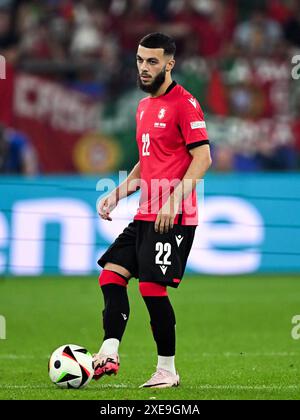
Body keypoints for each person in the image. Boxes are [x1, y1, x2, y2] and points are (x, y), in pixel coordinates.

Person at [94, 32, 211, 388]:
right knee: (110, 276)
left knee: (151, 289)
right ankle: (110, 352)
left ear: (169, 64)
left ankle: (167, 370)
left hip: (173, 216)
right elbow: (148, 163)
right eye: (140, 60)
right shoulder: (143, 106)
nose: (144, 68)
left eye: (152, 61)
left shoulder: (184, 103)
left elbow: (203, 157)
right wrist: (119, 192)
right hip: (146, 212)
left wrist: (174, 200)